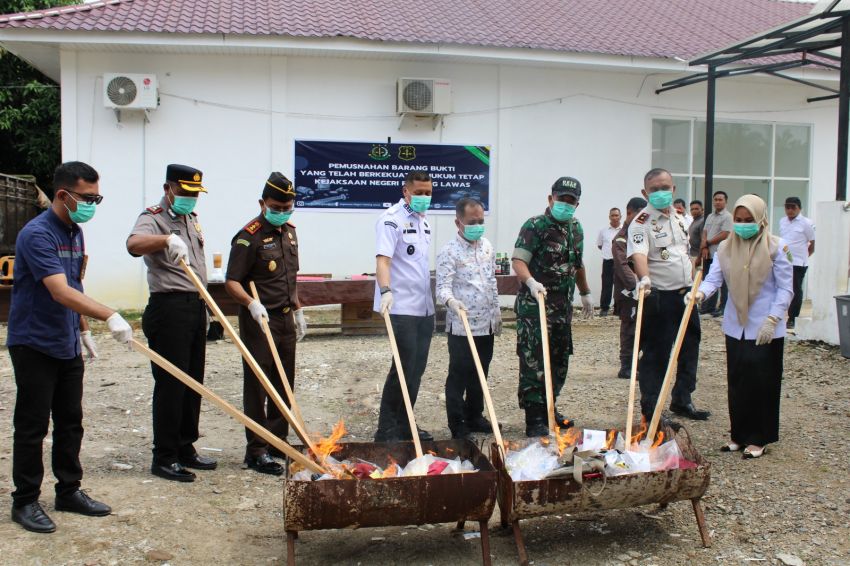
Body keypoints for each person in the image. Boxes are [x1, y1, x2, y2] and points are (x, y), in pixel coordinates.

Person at [7, 161, 133, 533]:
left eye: (97, 197)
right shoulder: (37, 234)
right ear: (63, 195)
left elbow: (74, 286)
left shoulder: (74, 231)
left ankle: (68, 490)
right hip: (33, 342)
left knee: (70, 422)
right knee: (32, 426)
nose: (93, 204)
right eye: (88, 197)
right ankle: (25, 500)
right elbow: (58, 290)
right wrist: (109, 315)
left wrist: (81, 329)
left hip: (64, 340)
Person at [127, 164, 217, 482]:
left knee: (193, 381)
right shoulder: (153, 217)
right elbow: (133, 244)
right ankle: (164, 456)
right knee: (171, 383)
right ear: (169, 188)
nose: (191, 199)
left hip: (195, 307)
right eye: (186, 192)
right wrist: (165, 239)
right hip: (169, 309)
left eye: (195, 194)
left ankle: (185, 446)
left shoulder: (191, 219)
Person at [693, 195, 792, 458]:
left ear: (761, 220)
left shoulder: (776, 247)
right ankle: (738, 434)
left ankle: (759, 438)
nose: (743, 225)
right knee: (737, 381)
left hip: (765, 326)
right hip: (736, 325)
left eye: (749, 220)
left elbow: (785, 289)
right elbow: (713, 279)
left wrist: (773, 319)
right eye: (738, 220)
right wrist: (700, 294)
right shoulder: (726, 247)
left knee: (762, 381)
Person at [225, 172, 306, 476]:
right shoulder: (249, 236)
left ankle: (278, 443)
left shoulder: (290, 231)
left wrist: (298, 309)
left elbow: (291, 276)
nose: (282, 212)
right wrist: (251, 303)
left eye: (288, 207)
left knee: (285, 382)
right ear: (262, 203)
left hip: (285, 318)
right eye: (276, 207)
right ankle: (256, 450)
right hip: (260, 320)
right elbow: (232, 281)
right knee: (259, 384)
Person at [512, 176, 593, 437]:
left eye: (571, 201)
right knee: (534, 362)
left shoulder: (576, 228)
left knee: (559, 361)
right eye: (561, 199)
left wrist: (585, 292)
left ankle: (550, 407)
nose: (565, 205)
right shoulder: (535, 226)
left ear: (577, 204)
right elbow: (518, 260)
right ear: (551, 199)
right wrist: (531, 282)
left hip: (561, 310)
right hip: (534, 309)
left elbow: (577, 264)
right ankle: (534, 418)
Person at [628, 168, 710, 421]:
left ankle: (682, 399)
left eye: (665, 188)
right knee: (657, 353)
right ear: (645, 193)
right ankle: (651, 408)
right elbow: (639, 254)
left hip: (686, 295)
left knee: (689, 347)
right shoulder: (641, 223)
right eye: (654, 189)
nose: (661, 193)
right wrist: (645, 279)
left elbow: (685, 252)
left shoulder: (680, 217)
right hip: (660, 296)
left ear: (674, 189)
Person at [373, 170, 436, 443]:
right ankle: (386, 430)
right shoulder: (391, 220)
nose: (424, 197)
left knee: (416, 369)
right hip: (400, 308)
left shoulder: (424, 221)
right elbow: (383, 260)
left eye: (428, 193)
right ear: (405, 191)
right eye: (419, 192)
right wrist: (386, 291)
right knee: (401, 368)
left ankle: (406, 423)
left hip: (424, 308)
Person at [436, 197, 501, 441]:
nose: (477, 225)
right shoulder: (448, 251)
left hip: (486, 323)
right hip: (462, 324)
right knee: (459, 374)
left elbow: (491, 281)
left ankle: (475, 415)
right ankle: (457, 423)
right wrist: (452, 302)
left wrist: (496, 313)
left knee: (480, 371)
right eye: (472, 222)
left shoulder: (486, 246)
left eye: (481, 221)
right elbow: (442, 288)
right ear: (458, 222)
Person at [612, 197, 646, 379]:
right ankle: (626, 365)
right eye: (639, 215)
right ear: (630, 213)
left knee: (643, 326)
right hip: (628, 291)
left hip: (643, 289)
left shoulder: (638, 234)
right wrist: (635, 285)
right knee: (630, 327)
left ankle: (637, 362)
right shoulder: (621, 238)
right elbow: (621, 264)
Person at [778, 197, 815, 330]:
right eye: (787, 207)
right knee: (782, 288)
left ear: (799, 208)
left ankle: (793, 318)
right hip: (783, 260)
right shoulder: (782, 221)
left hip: (798, 262)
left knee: (795, 290)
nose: (790, 210)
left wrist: (805, 256)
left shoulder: (806, 223)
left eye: (793, 207)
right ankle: (779, 315)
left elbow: (813, 243)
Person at [700, 191, 733, 317]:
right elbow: (705, 231)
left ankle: (723, 307)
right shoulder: (710, 216)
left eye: (720, 199)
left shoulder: (728, 217)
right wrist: (704, 246)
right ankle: (708, 306)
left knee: (723, 282)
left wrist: (707, 243)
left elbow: (725, 233)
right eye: (716, 199)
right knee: (709, 279)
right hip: (708, 253)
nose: (718, 202)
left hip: (721, 253)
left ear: (725, 202)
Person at [596, 207, 621, 316]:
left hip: (620, 262)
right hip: (608, 261)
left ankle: (618, 309)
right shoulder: (603, 230)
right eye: (612, 215)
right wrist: (609, 253)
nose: (615, 217)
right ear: (609, 217)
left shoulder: (624, 229)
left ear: (620, 216)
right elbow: (600, 245)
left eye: (617, 215)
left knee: (620, 285)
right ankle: (604, 308)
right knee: (606, 285)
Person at [688, 200, 705, 269]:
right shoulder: (694, 221)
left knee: (697, 279)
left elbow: (703, 241)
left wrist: (699, 257)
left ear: (702, 209)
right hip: (692, 254)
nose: (694, 211)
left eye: (696, 209)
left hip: (698, 256)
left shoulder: (702, 221)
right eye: (692, 209)